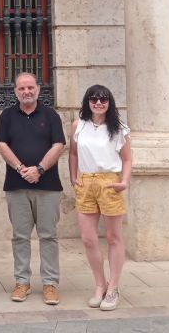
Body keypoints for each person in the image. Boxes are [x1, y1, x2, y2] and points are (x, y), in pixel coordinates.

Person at [0, 72, 66, 305]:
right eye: (22, 88)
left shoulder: (51, 115)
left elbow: (59, 145)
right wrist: (21, 168)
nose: (26, 91)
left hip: (48, 186)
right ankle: (22, 282)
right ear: (15, 91)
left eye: (30, 87)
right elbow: (1, 144)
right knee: (20, 236)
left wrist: (39, 169)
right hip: (16, 186)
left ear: (38, 88)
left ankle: (50, 284)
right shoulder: (7, 116)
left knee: (48, 236)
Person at [68, 84, 132, 311]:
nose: (98, 103)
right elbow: (73, 153)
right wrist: (73, 178)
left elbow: (126, 159)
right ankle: (99, 284)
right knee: (87, 238)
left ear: (109, 102)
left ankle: (113, 288)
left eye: (103, 99)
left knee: (114, 237)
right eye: (93, 99)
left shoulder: (119, 129)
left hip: (109, 182)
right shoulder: (79, 125)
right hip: (86, 182)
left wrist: (124, 181)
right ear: (87, 102)